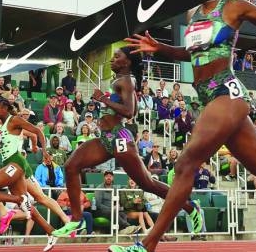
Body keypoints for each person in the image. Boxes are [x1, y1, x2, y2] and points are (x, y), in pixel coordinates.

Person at [110, 0, 256, 252]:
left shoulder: (234, 7)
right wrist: (161, 49)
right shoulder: (194, 14)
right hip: (209, 96)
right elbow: (191, 53)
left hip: (226, 92)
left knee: (186, 164)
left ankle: (147, 246)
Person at [54, 48, 204, 239]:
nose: (112, 59)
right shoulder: (124, 80)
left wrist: (103, 100)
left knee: (148, 183)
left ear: (127, 63)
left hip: (120, 138)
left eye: (117, 57)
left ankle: (191, 208)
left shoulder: (125, 80)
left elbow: (128, 111)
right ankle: (76, 219)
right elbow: (131, 111)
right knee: (71, 166)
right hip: (106, 138)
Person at [0, 98, 58, 252]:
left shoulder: (14, 120)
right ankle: (51, 232)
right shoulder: (2, 125)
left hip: (16, 164)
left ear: (5, 108)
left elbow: (38, 131)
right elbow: (3, 145)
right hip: (9, 164)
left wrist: (44, 150)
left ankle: (19, 199)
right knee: (26, 206)